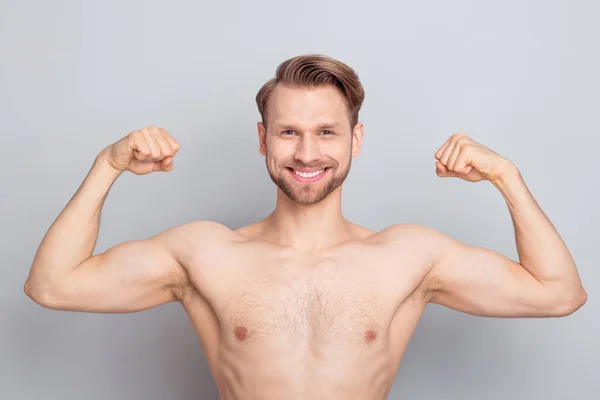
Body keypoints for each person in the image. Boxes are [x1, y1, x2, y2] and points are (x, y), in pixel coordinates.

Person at [24, 54, 587, 400]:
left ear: (355, 141)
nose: (307, 152)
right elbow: (53, 285)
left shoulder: (408, 256)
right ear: (264, 139)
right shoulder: (205, 252)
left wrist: (506, 177)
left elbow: (558, 294)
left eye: (326, 132)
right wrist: (109, 166)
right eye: (288, 132)